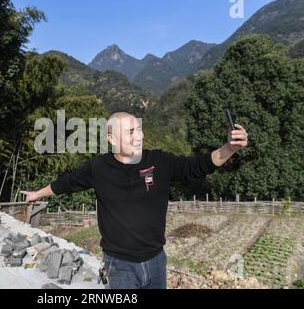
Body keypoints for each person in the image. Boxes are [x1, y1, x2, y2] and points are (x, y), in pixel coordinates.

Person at [21, 112, 248, 289]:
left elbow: (197, 166)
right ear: (111, 138)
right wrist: (36, 194)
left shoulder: (159, 161)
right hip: (120, 266)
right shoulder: (98, 168)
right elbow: (66, 183)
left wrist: (229, 148)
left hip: (157, 261)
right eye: (131, 132)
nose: (140, 136)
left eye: (139, 130)